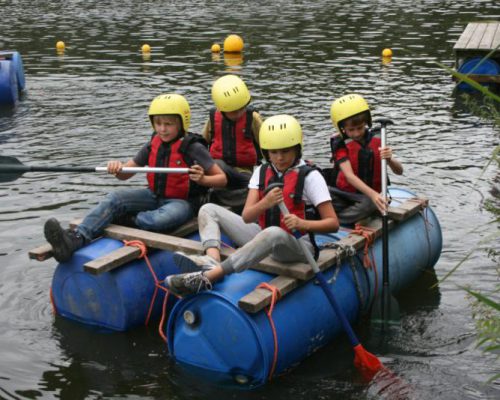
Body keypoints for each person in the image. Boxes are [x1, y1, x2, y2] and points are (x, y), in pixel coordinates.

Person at [165, 114, 339, 297]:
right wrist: (265, 202)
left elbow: (333, 223)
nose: (279, 158)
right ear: (266, 152)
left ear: (297, 149)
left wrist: (303, 224)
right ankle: (212, 260)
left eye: (285, 151)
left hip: (297, 248)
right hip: (264, 235)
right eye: (273, 152)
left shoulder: (311, 177)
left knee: (273, 233)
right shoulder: (262, 172)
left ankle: (209, 276)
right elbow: (247, 217)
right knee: (208, 209)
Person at [44, 94, 227, 262]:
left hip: (183, 203)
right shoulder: (153, 143)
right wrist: (117, 168)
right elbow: (126, 173)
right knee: (115, 198)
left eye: (168, 124)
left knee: (159, 220)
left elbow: (221, 179)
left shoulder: (194, 148)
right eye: (158, 123)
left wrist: (203, 179)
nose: (162, 129)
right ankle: (76, 239)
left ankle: (128, 219)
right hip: (153, 196)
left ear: (181, 122)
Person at [327, 93, 403, 225]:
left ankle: (342, 219)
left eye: (360, 128)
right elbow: (349, 176)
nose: (356, 133)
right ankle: (340, 220)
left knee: (370, 203)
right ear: (342, 128)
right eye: (351, 130)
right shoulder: (340, 143)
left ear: (366, 123)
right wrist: (374, 195)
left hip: (367, 198)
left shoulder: (379, 139)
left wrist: (390, 159)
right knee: (323, 196)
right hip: (343, 194)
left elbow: (399, 171)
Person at [201, 74, 263, 210]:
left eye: (242, 108)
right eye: (233, 111)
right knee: (218, 164)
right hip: (218, 170)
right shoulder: (213, 119)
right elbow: (202, 143)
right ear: (222, 110)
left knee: (255, 189)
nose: (239, 113)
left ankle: (228, 199)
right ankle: (216, 196)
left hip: (243, 173)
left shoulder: (252, 118)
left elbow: (267, 144)